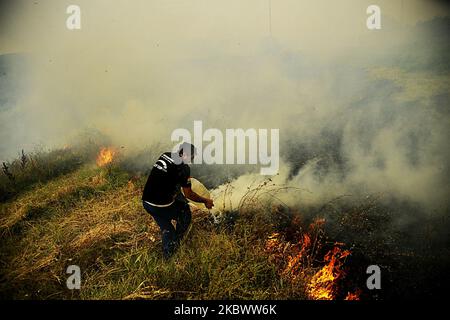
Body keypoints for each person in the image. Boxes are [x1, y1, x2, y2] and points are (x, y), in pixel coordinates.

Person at [142, 142, 214, 259]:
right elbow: (189, 194)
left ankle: (168, 250)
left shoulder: (165, 155)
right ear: (185, 154)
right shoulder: (184, 168)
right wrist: (206, 201)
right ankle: (178, 240)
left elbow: (166, 176)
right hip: (160, 206)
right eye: (191, 157)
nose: (191, 161)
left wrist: (182, 181)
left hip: (147, 202)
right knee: (184, 212)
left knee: (167, 228)